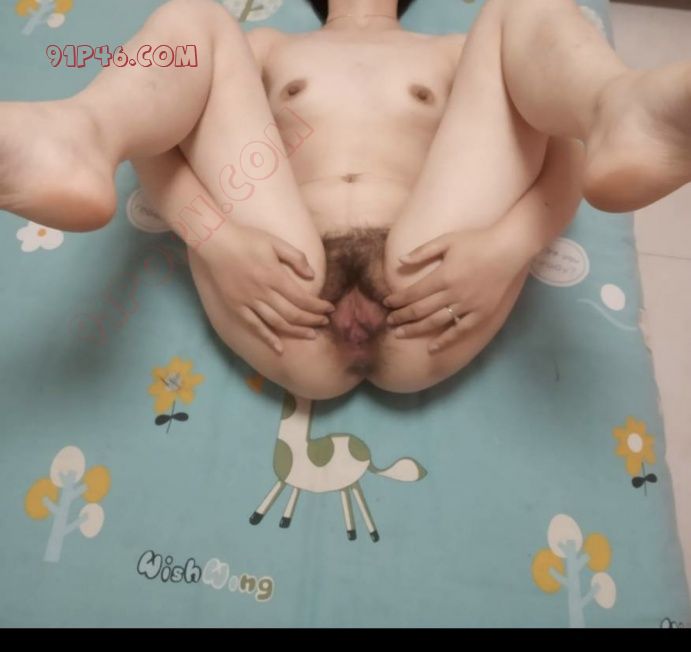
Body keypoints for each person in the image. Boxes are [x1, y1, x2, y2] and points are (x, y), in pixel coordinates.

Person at [1, 0, 690, 399]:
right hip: (282, 287)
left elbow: (557, 146)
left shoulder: (456, 48)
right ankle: (80, 136)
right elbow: (163, 136)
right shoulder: (267, 43)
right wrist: (218, 241)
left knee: (521, 6)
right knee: (196, 17)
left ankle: (618, 108)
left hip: (432, 286)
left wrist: (504, 251)